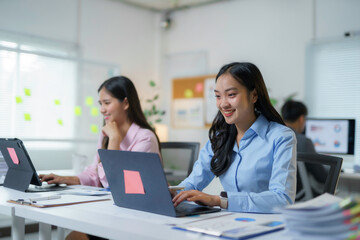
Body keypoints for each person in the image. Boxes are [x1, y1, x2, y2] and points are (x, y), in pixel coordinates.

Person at [40, 76, 161, 240]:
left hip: (137, 217)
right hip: (113, 211)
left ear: (125, 103)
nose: (102, 109)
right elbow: (93, 174)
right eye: (100, 104)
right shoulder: (107, 134)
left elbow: (121, 185)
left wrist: (115, 140)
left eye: (107, 102)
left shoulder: (145, 138)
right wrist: (64, 178)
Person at [172, 62, 297, 213]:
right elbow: (192, 182)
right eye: (218, 96)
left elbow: (282, 199)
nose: (223, 104)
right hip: (228, 223)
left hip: (266, 226)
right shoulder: (220, 138)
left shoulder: (281, 137)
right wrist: (171, 193)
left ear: (254, 95)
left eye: (231, 95)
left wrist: (219, 201)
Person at [281, 100, 327, 200]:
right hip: (300, 197)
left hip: (279, 196)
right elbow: (321, 176)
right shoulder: (303, 142)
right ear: (301, 119)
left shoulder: (273, 138)